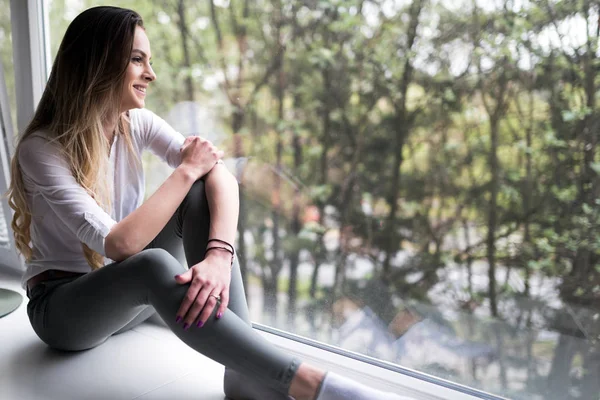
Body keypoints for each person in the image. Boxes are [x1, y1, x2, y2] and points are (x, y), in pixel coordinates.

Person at [7, 6, 413, 400]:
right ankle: (310, 384)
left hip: (127, 300)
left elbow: (220, 175)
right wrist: (184, 171)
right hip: (65, 312)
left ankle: (242, 374)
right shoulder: (42, 150)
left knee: (201, 193)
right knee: (157, 252)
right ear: (97, 63)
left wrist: (220, 255)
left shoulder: (136, 124)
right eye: (136, 59)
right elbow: (119, 245)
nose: (151, 73)